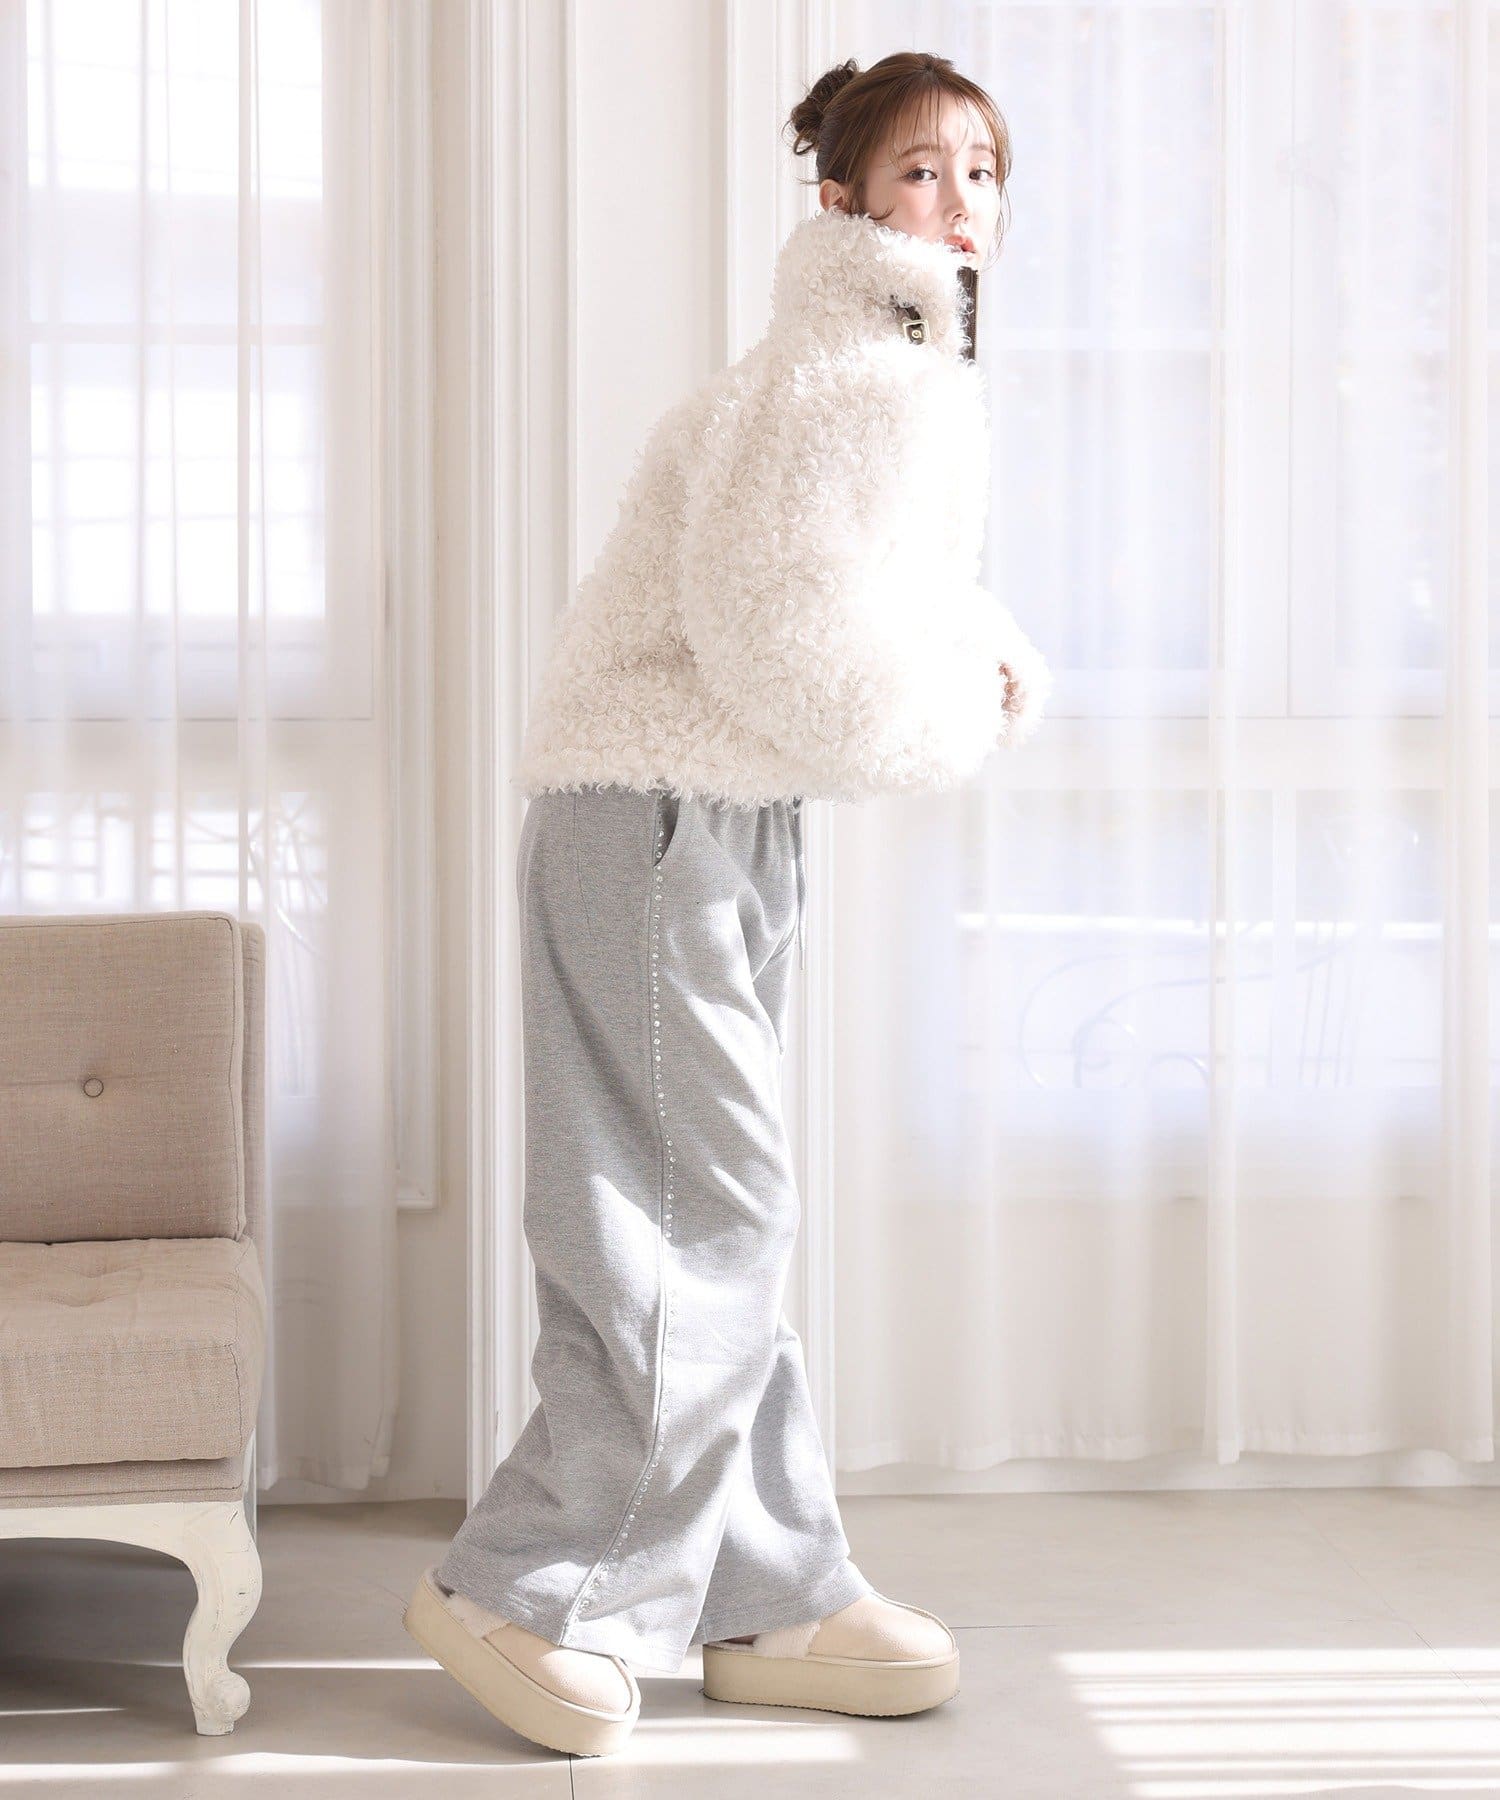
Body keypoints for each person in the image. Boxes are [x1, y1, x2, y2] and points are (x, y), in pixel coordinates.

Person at [402, 50, 1051, 1758]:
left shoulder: (881, 370)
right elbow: (779, 633)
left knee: (710, 1212)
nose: (960, 202)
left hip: (712, 817)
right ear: (844, 199)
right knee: (693, 1217)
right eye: (922, 172)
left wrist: (976, 654)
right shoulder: (842, 377)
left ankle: (768, 1587)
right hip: (656, 814)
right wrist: (956, 710)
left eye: (984, 172)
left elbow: (883, 593)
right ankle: (529, 1587)